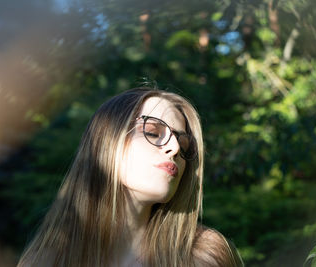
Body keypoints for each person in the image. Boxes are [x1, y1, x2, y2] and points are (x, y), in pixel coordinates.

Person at [18, 87, 243, 266]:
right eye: (154, 132)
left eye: (183, 144)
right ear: (107, 142)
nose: (174, 148)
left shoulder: (205, 257)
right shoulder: (46, 261)